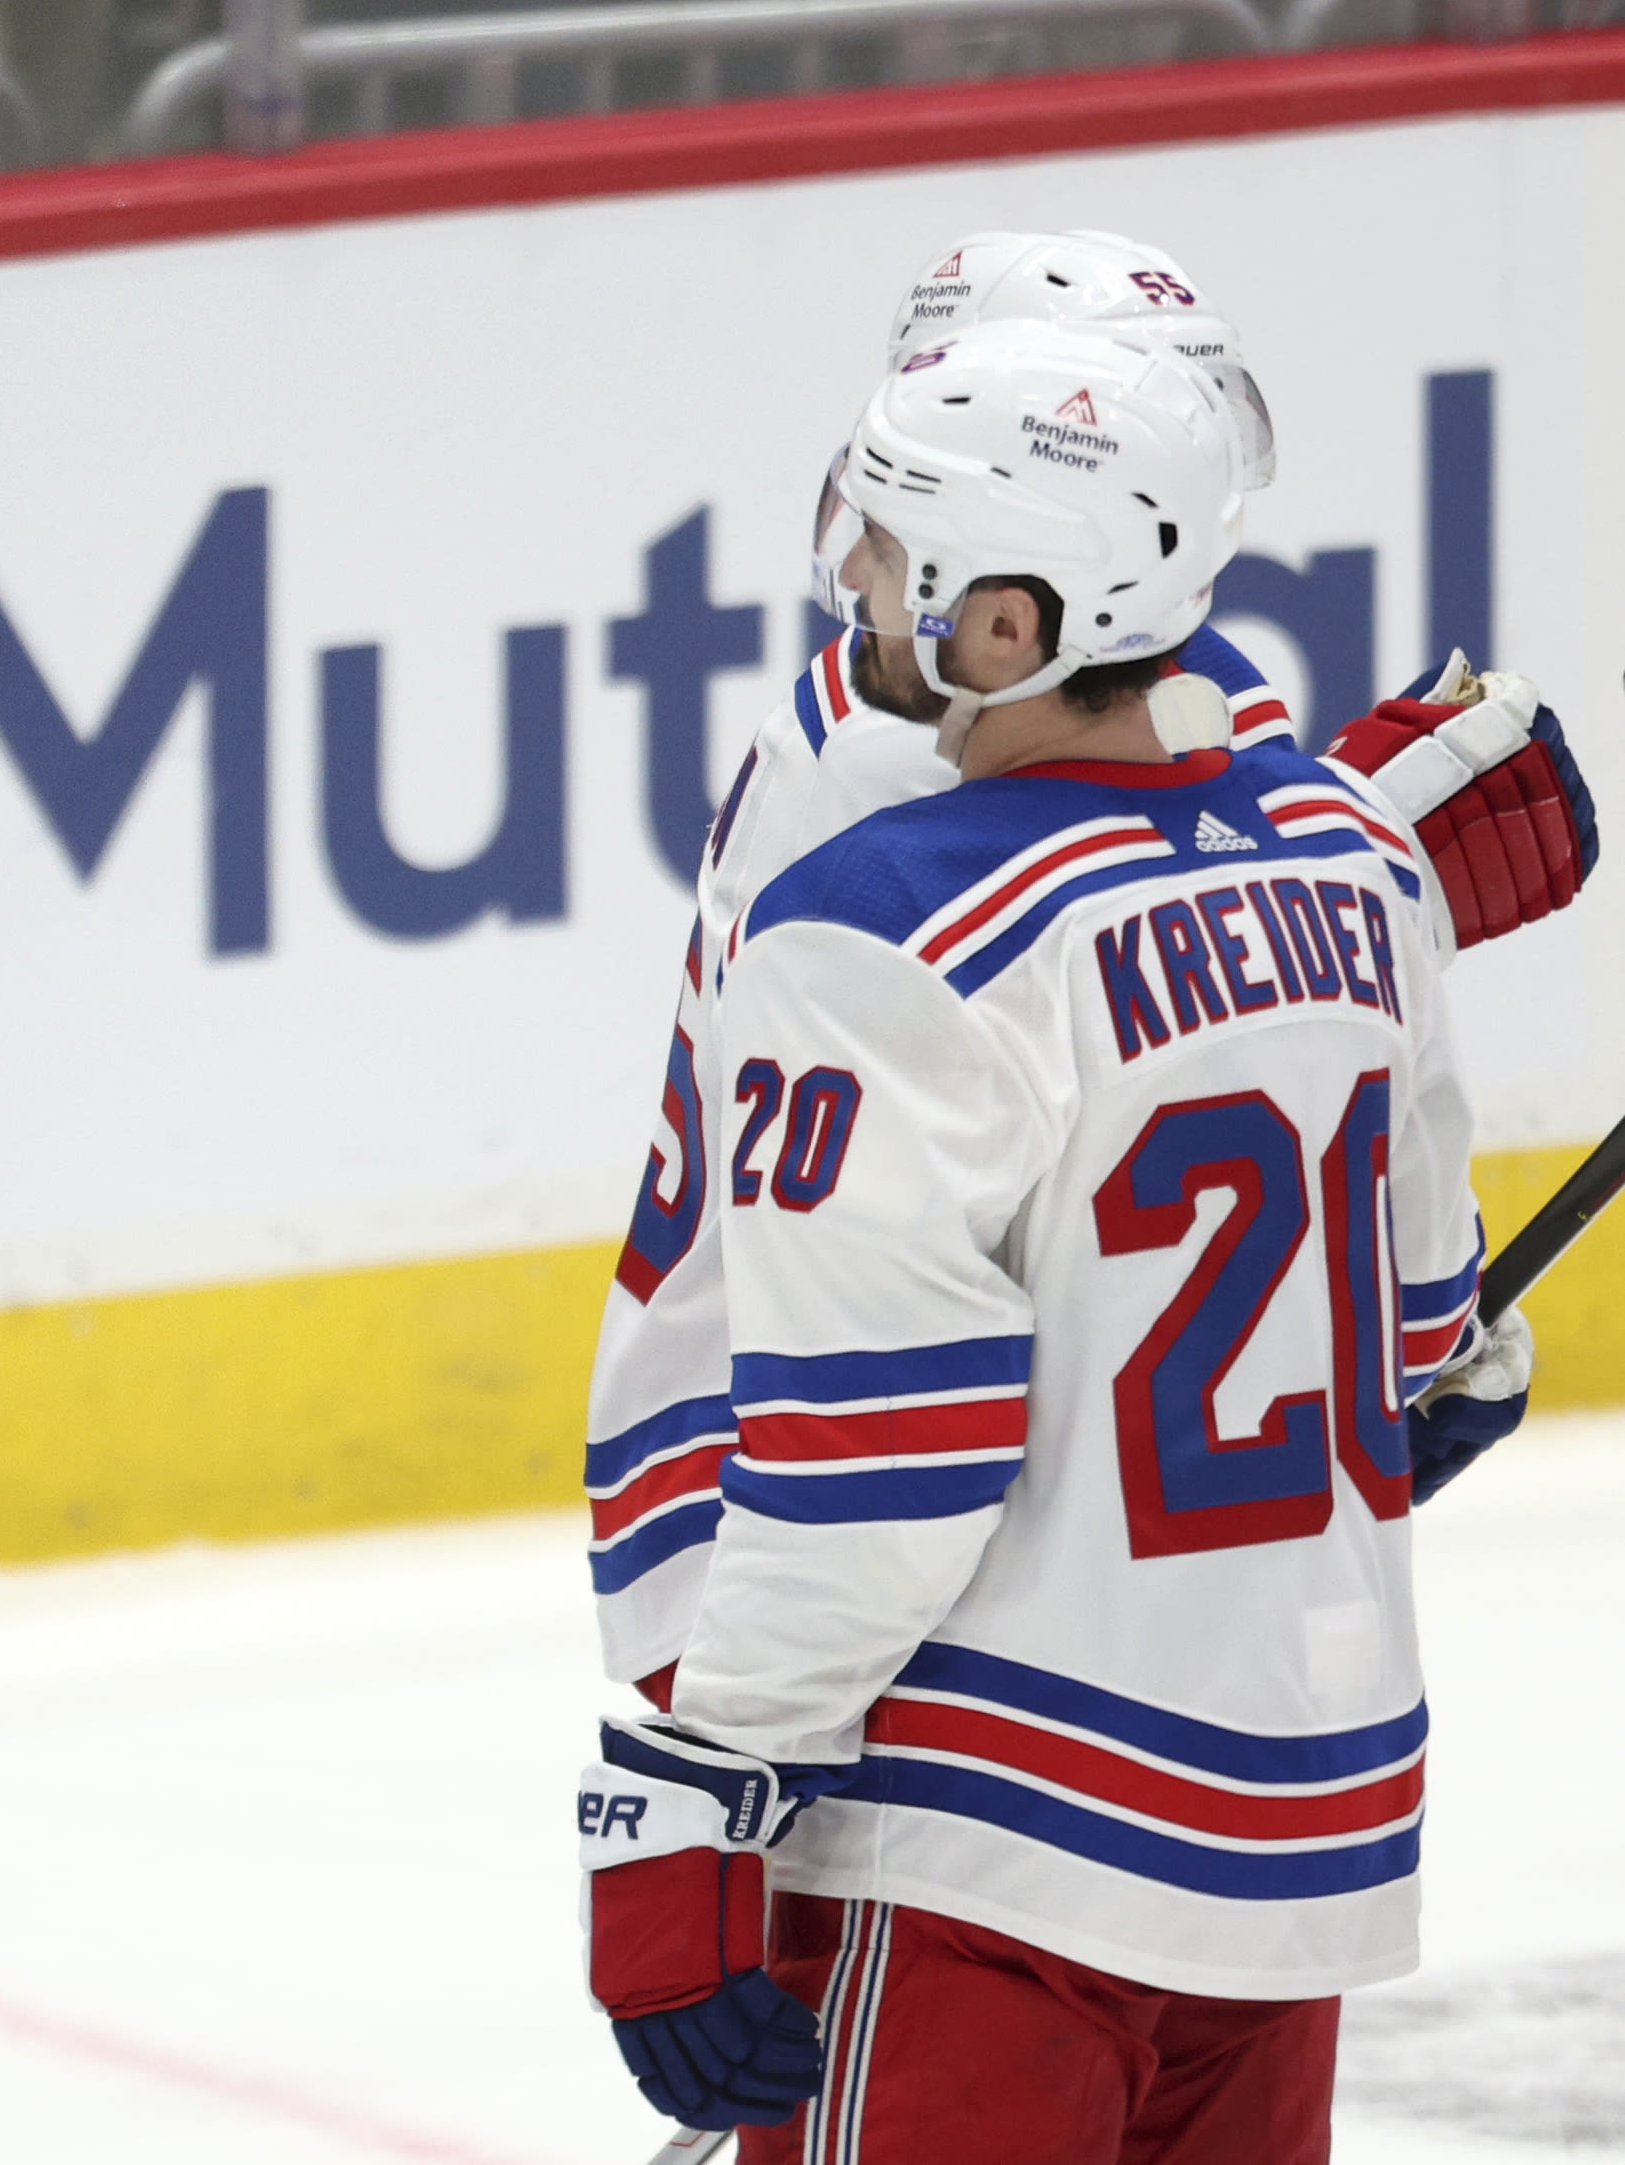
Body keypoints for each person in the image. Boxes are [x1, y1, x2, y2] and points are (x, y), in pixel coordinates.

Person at [577, 319, 1531, 2156]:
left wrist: (694, 1778)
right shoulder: (1354, 861)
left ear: (1008, 622)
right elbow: (1424, 1337)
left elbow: (883, 1454)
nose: (851, 577)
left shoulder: (875, 930)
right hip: (1294, 1850)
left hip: (987, 1852)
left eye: (893, 542)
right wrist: (1444, 1386)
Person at [584, 228, 1595, 1705]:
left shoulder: (989, 689)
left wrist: (1347, 854)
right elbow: (1136, 996)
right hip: (802, 1500)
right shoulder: (890, 768)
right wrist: (1372, 863)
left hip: (871, 1478)